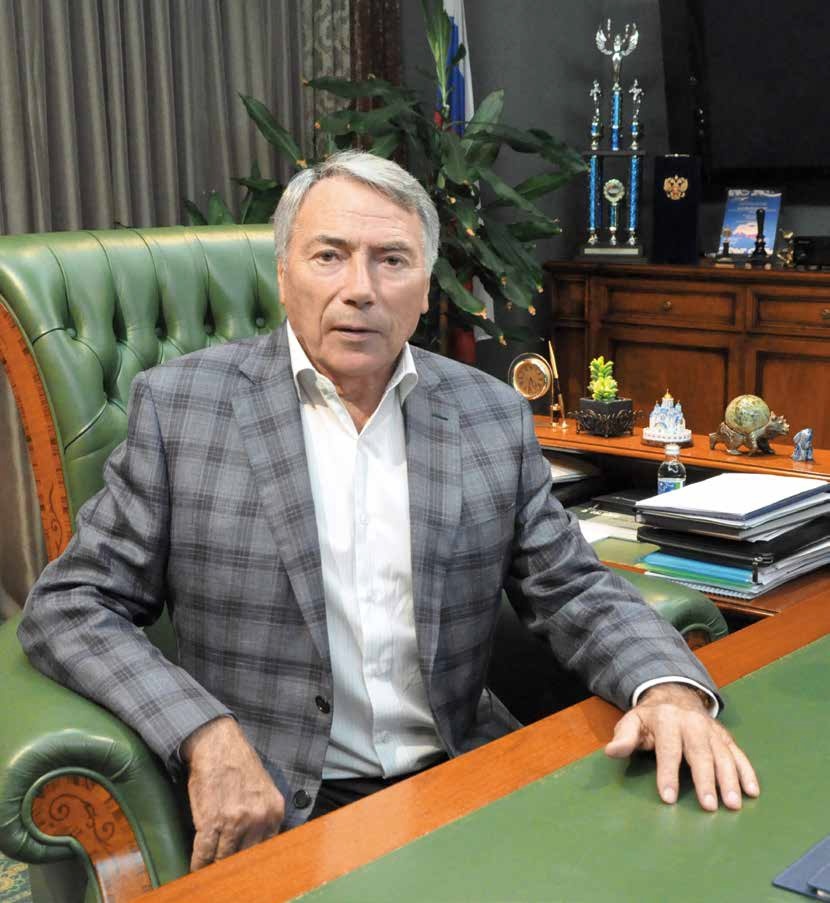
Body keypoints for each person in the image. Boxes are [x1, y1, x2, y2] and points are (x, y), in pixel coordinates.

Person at [19, 151, 758, 872]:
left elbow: (572, 586)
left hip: (463, 778)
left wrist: (667, 686)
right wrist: (203, 732)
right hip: (278, 801)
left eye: (392, 260)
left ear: (426, 286)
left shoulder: (488, 413)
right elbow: (71, 603)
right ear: (283, 274)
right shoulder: (183, 408)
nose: (360, 289)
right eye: (329, 256)